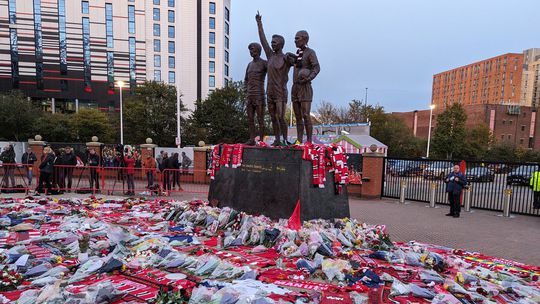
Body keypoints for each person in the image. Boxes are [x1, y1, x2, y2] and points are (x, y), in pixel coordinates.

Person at [256, 13, 293, 146]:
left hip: (280, 92)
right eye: (272, 42)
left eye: (274, 43)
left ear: (281, 44)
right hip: (270, 91)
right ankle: (277, 139)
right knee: (272, 117)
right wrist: (259, 23)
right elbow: (262, 40)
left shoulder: (286, 58)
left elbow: (298, 63)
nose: (272, 44)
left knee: (281, 117)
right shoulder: (270, 55)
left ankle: (284, 139)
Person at [286, 30, 320, 144]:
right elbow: (293, 62)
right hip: (295, 87)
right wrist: (288, 56)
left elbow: (317, 68)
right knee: (297, 116)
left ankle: (309, 140)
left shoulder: (310, 52)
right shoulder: (297, 54)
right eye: (295, 38)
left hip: (305, 87)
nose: (295, 40)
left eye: (297, 38)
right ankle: (299, 140)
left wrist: (309, 78)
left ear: (305, 39)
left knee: (305, 114)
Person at [244, 42, 268, 145]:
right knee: (250, 119)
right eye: (250, 50)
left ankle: (261, 140)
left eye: (252, 49)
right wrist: (246, 89)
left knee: (260, 119)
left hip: (259, 95)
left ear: (258, 50)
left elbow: (273, 74)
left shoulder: (264, 63)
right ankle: (252, 139)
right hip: (250, 96)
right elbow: (246, 80)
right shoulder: (249, 65)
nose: (251, 51)